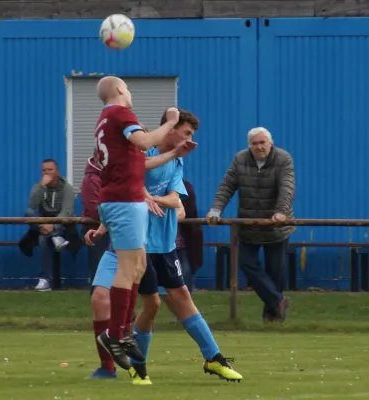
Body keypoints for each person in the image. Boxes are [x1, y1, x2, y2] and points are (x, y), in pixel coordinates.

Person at [87, 109, 243, 385]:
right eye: (186, 133)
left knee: (175, 298)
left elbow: (177, 202)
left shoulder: (176, 163)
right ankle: (134, 364)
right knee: (150, 304)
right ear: (170, 130)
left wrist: (155, 199)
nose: (189, 139)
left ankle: (212, 358)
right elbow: (129, 183)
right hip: (140, 246)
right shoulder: (141, 153)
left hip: (165, 245)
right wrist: (141, 196)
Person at [87, 76, 182, 371]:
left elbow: (137, 162)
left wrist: (173, 153)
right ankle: (115, 336)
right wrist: (170, 122)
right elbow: (145, 141)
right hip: (124, 201)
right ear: (118, 90)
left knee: (138, 266)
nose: (130, 93)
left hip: (127, 200)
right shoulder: (119, 112)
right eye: (127, 88)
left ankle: (122, 333)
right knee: (128, 268)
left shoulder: (107, 120)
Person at [206, 127, 295, 322]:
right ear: (249, 146)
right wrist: (216, 210)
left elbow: (287, 187)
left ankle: (272, 318)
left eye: (262, 142)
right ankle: (278, 300)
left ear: (270, 143)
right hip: (249, 225)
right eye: (254, 143)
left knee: (275, 273)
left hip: (276, 227)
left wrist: (281, 211)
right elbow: (227, 186)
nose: (259, 147)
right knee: (246, 264)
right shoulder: (240, 159)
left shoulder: (283, 158)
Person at [18, 158, 78, 292]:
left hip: (60, 225)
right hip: (41, 223)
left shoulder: (66, 188)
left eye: (50, 170)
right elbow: (32, 206)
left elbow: (67, 211)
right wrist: (41, 187)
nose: (47, 173)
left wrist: (53, 225)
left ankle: (44, 279)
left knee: (42, 239)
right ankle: (55, 237)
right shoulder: (38, 186)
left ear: (57, 171)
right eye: (44, 170)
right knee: (28, 213)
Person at [80, 149, 109, 285]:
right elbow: (93, 210)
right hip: (96, 230)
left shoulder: (102, 176)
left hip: (106, 228)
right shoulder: (92, 179)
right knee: (100, 271)